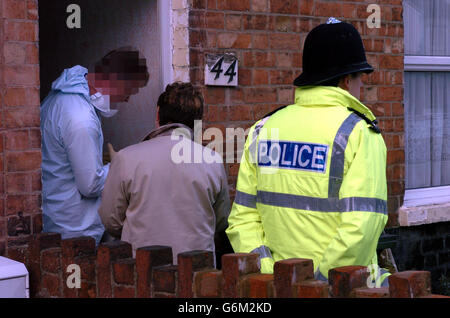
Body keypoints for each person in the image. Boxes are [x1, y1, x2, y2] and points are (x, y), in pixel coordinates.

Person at [226, 18, 390, 285]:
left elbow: (242, 218)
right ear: (347, 81)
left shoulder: (262, 129)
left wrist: (271, 274)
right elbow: (360, 228)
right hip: (336, 289)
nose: (362, 88)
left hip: (273, 288)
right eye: (362, 79)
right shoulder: (359, 133)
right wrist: (318, 285)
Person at [98, 82, 231, 265]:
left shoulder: (126, 158)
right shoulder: (212, 160)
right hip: (198, 272)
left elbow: (111, 220)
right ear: (199, 122)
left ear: (158, 114)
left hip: (143, 269)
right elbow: (221, 220)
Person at [40, 49, 149, 245]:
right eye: (129, 91)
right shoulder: (81, 119)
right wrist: (122, 164)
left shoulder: (63, 97)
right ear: (116, 80)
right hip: (73, 229)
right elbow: (90, 185)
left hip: (56, 218)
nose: (127, 99)